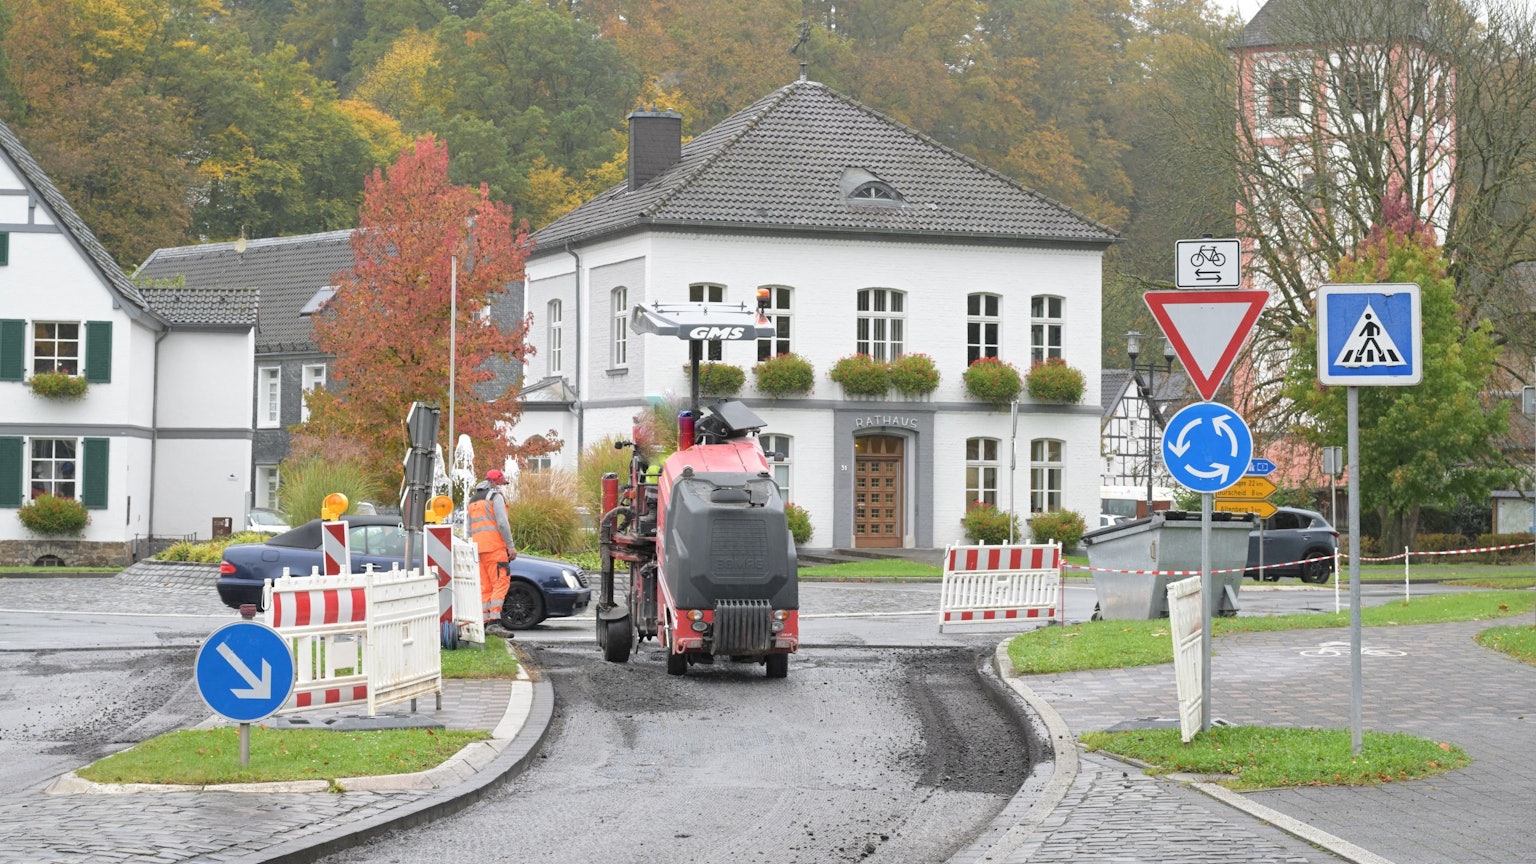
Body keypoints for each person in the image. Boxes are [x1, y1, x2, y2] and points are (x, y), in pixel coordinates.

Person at [467, 469, 517, 632]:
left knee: (486, 585)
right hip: (495, 547)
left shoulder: (472, 500)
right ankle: (495, 621)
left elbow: (469, 529)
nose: (502, 487)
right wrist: (510, 546)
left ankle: (484, 622)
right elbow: (502, 523)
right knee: (501, 582)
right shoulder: (495, 497)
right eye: (502, 484)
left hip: (478, 549)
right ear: (495, 483)